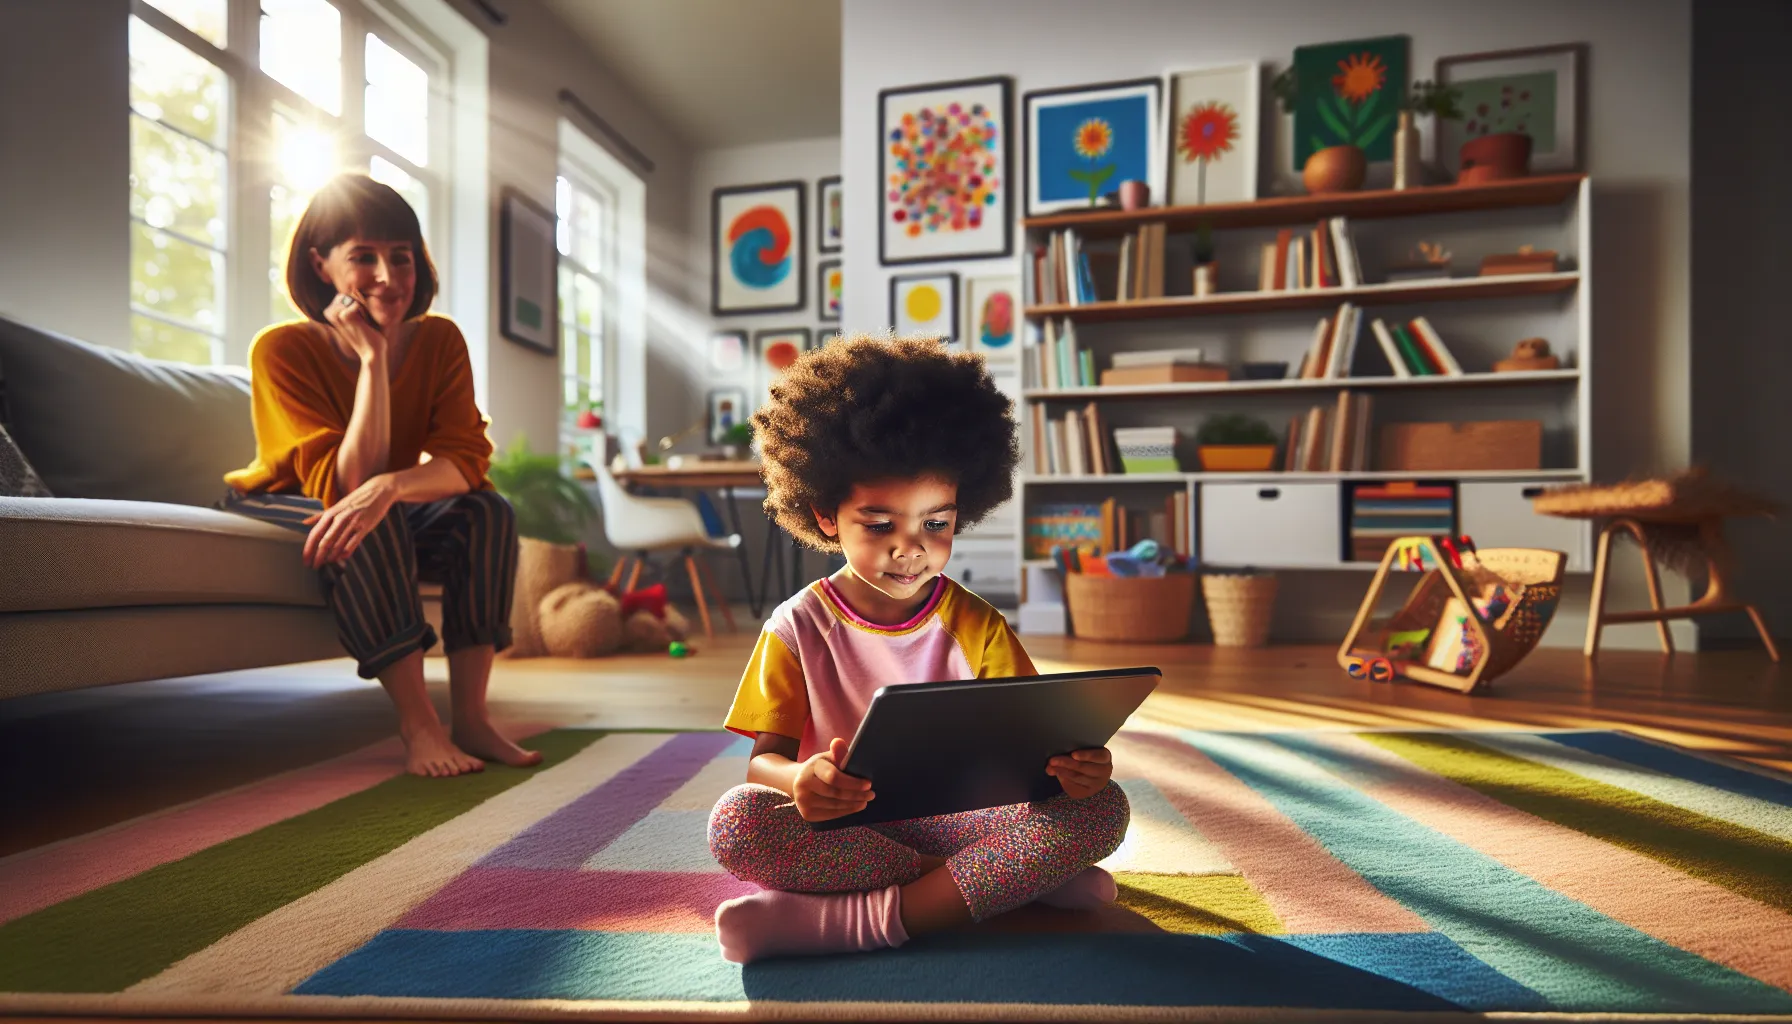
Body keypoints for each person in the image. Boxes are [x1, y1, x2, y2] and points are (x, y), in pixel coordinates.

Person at [705, 335, 1130, 963]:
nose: (912, 548)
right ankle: (1009, 882)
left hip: (967, 818)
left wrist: (1080, 769)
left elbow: (1038, 746)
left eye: (936, 523)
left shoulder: (977, 624)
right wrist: (802, 781)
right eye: (880, 526)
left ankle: (849, 921)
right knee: (738, 822)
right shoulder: (794, 628)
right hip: (846, 828)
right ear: (825, 514)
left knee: (1103, 809)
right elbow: (762, 765)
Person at [222, 173, 538, 779]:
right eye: (363, 257)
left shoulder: (441, 340)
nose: (388, 277)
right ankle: (418, 724)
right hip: (286, 496)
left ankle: (471, 717)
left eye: (402, 257)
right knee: (369, 510)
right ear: (320, 265)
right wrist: (372, 359)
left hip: (373, 494)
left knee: (488, 512)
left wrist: (392, 485)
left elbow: (466, 461)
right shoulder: (278, 350)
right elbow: (346, 482)